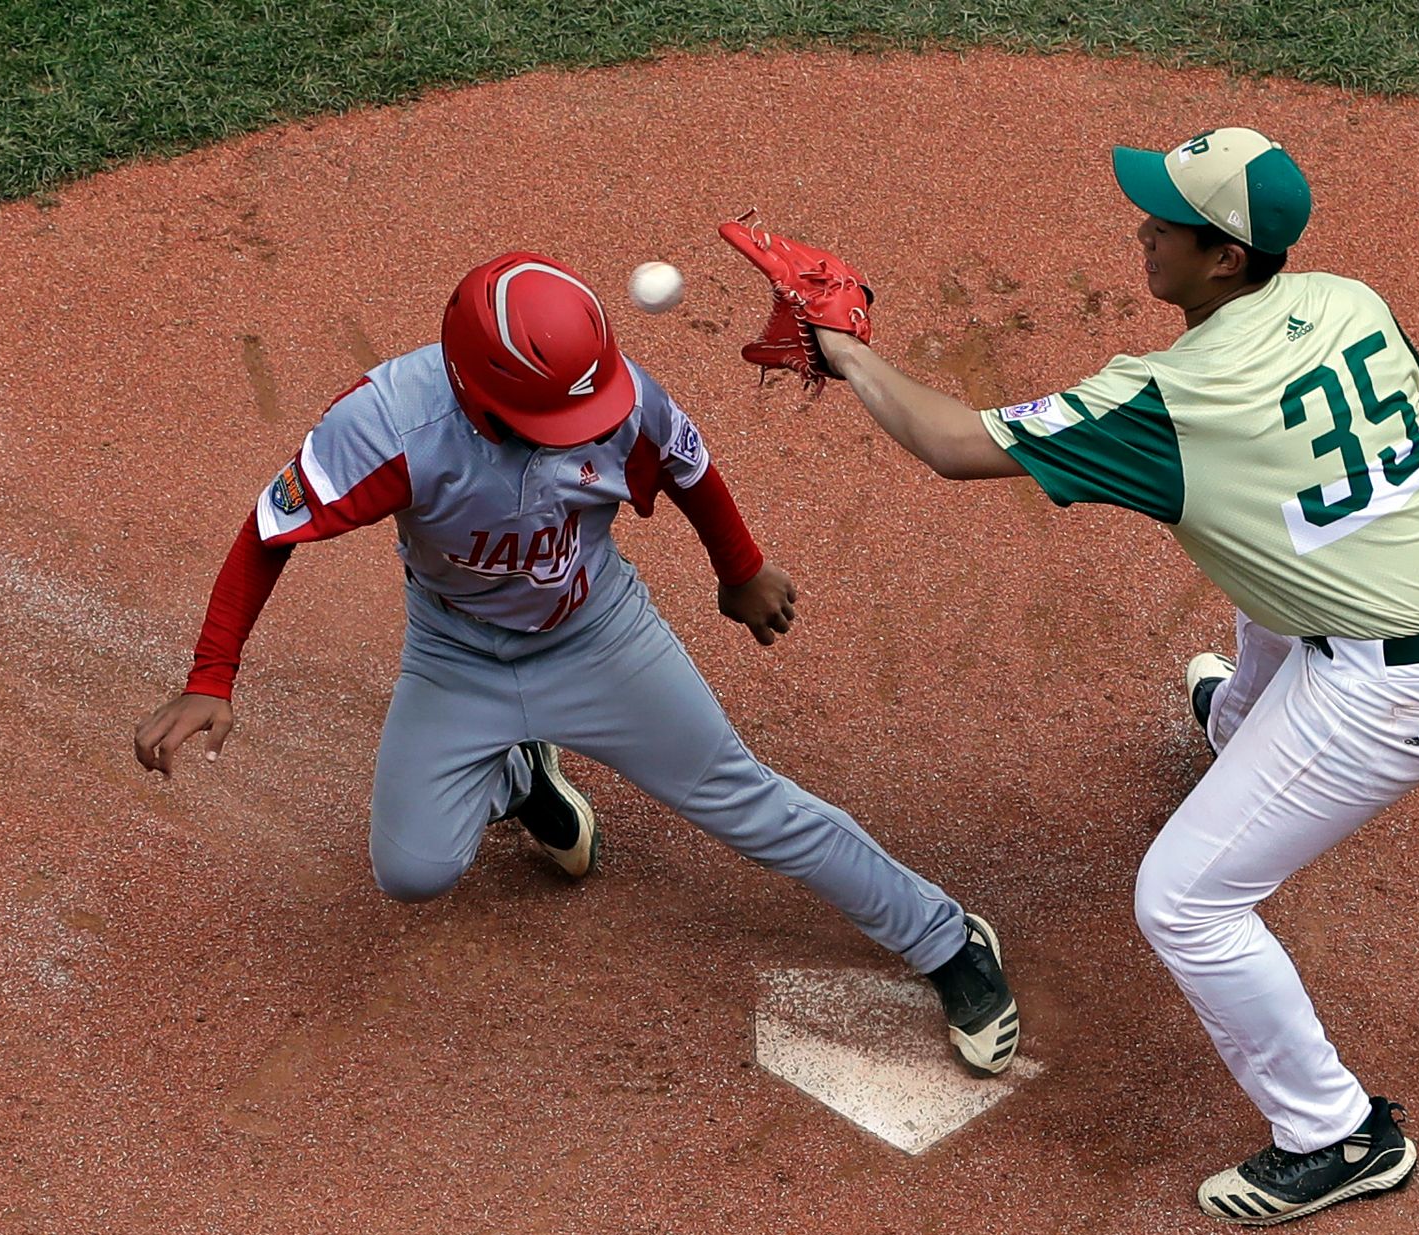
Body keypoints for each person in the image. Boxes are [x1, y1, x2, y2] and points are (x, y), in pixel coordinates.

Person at [806, 128, 1419, 1223]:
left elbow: (957, 443)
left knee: (1185, 902)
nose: (1141, 228)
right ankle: (1251, 728)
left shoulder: (1174, 395)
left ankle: (1336, 1133)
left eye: (1165, 220)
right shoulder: (1348, 300)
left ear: (1225, 257)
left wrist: (850, 352)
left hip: (1399, 687)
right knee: (1264, 553)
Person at [131, 251, 1019, 1076]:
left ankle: (945, 939)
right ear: (475, 389)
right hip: (455, 656)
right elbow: (269, 530)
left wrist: (739, 570)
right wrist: (213, 674)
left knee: (744, 799)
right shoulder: (387, 422)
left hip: (600, 638)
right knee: (412, 873)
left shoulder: (622, 396)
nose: (575, 432)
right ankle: (520, 777)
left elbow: (688, 468)